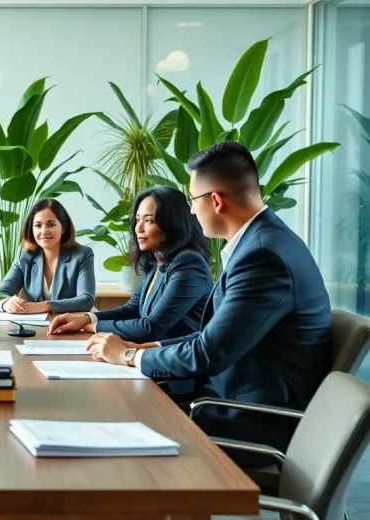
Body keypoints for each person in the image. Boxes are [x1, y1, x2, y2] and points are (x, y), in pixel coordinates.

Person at [83, 142, 332, 466]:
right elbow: (213, 337)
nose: (190, 211)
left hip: (253, 420)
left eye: (192, 201)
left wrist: (129, 355)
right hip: (236, 401)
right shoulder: (264, 243)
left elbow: (210, 353)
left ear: (215, 201)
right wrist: (144, 346)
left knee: (112, 431)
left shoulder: (262, 257)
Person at [48, 186, 213, 342]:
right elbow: (131, 310)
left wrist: (93, 326)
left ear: (172, 223)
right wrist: (86, 317)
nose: (138, 228)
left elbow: (151, 326)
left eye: (149, 221)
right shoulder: (155, 262)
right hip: (149, 357)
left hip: (179, 365)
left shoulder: (189, 263)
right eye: (138, 219)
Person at [0, 198, 95, 314]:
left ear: (63, 227)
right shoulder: (24, 256)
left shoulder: (82, 254)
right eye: (38, 225)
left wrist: (44, 306)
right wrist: (5, 303)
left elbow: (86, 300)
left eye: (51, 225)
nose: (44, 231)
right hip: (35, 326)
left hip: (72, 325)